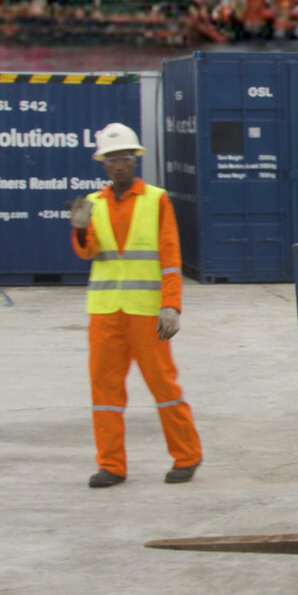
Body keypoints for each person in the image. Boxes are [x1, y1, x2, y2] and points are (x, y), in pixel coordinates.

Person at [70, 123, 202, 487]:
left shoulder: (156, 199)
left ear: (135, 160)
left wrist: (171, 305)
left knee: (163, 386)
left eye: (125, 158)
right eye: (112, 159)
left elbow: (170, 256)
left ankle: (187, 456)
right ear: (103, 164)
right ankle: (111, 464)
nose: (119, 164)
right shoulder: (93, 203)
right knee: (105, 391)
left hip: (146, 313)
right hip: (106, 311)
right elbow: (88, 251)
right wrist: (80, 229)